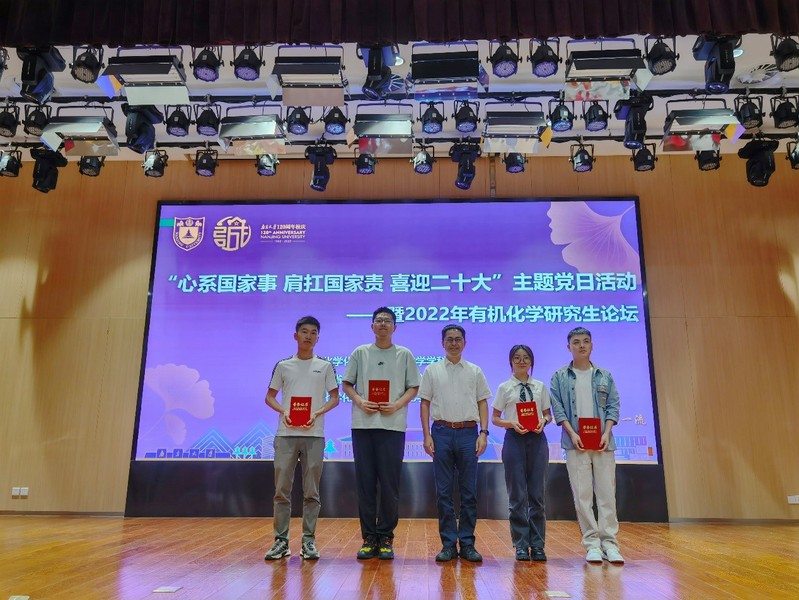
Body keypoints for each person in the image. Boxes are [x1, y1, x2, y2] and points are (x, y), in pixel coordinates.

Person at [342, 307, 421, 560]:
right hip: (363, 425)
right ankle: (368, 538)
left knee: (389, 484)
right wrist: (359, 401)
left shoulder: (404, 354)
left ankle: (386, 537)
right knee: (365, 484)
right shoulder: (360, 352)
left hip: (392, 426)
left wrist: (397, 405)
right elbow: (347, 383)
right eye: (379, 320)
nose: (383, 324)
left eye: (388, 321)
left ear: (394, 327)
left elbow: (414, 387)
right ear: (372, 326)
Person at [263, 316, 340, 561]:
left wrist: (317, 413)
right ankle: (281, 541)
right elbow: (270, 397)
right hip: (286, 434)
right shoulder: (283, 365)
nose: (308, 336)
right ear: (295, 336)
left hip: (314, 435)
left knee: (311, 492)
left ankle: (308, 541)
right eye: (304, 331)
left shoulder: (325, 366)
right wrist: (284, 411)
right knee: (281, 491)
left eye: (313, 332)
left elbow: (335, 398)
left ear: (318, 338)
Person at [549, 327, 624, 564]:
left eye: (585, 341)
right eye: (576, 342)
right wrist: (572, 434)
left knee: (606, 495)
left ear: (592, 345)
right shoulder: (560, 377)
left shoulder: (604, 376)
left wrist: (606, 432)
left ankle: (610, 544)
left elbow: (613, 405)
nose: (581, 345)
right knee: (582, 496)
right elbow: (558, 409)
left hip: (603, 442)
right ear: (568, 346)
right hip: (575, 443)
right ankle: (592, 544)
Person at [419, 324, 491, 563]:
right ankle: (448, 544)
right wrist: (426, 435)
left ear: (464, 343)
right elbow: (425, 404)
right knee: (444, 493)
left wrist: (484, 433)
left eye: (457, 339)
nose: (453, 343)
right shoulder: (432, 370)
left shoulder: (475, 371)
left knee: (469, 492)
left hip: (469, 433)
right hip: (441, 432)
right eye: (449, 339)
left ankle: (468, 544)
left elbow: (482, 403)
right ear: (442, 343)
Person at [492, 344, 552, 562]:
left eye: (526, 357)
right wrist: (512, 423)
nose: (521, 361)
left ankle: (537, 545)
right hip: (514, 440)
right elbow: (495, 418)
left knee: (537, 495)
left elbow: (548, 414)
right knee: (517, 496)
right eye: (517, 358)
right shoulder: (505, 387)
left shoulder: (540, 387)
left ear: (531, 361)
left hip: (537, 440)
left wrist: (543, 421)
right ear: (511, 362)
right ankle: (520, 545)